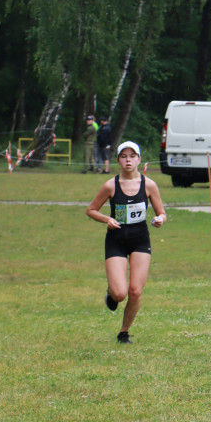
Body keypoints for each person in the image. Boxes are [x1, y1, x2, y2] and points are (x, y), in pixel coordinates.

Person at [85, 141, 167, 345]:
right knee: (120, 293)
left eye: (132, 156)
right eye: (124, 156)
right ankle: (111, 292)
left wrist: (159, 220)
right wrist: (107, 219)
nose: (128, 160)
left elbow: (161, 212)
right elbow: (91, 210)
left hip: (140, 239)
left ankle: (124, 332)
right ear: (118, 160)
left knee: (135, 291)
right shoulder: (110, 185)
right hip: (117, 240)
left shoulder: (148, 184)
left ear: (139, 159)